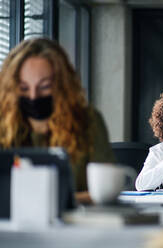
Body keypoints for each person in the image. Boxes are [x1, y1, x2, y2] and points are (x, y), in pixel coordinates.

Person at [0, 38, 115, 203]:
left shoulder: (88, 120)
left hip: (74, 223)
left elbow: (105, 190)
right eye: (24, 88)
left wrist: (55, 202)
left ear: (62, 85)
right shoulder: (3, 123)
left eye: (44, 86)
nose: (33, 96)